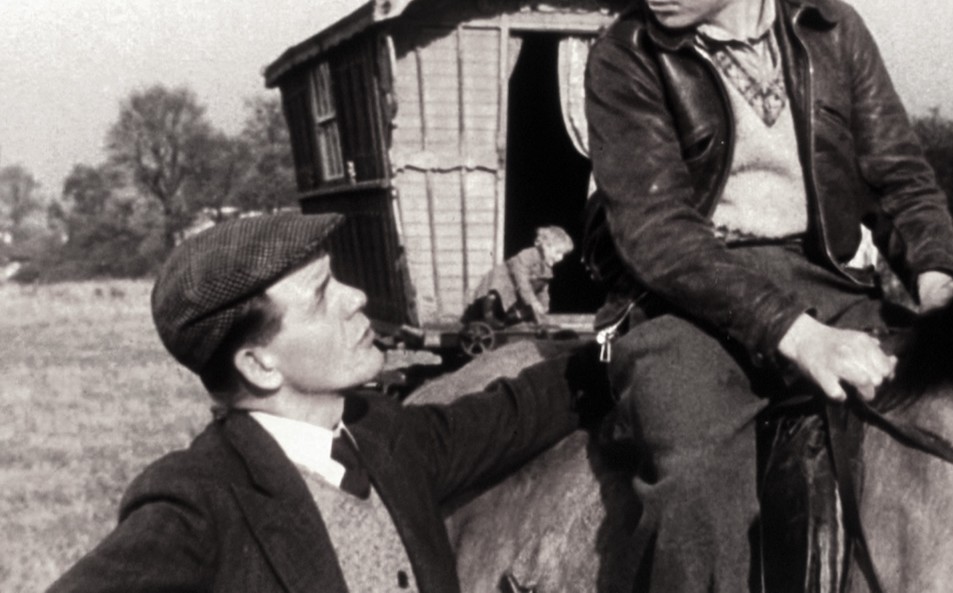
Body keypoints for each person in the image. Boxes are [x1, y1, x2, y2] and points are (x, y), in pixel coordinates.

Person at [583, 0, 953, 592]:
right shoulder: (624, 54)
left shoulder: (832, 26)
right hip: (685, 303)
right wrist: (799, 336)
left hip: (828, 277)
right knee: (693, 482)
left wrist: (937, 274)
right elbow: (658, 237)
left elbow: (895, 170)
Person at [49, 212, 601, 593]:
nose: (356, 297)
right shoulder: (199, 502)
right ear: (260, 364)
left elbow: (516, 411)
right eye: (319, 295)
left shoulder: (387, 437)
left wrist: (621, 347)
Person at [468, 225, 575, 327]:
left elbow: (543, 289)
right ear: (546, 246)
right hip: (503, 280)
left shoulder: (546, 268)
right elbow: (521, 279)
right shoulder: (527, 255)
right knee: (496, 291)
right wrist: (533, 301)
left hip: (516, 290)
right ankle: (489, 316)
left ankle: (511, 318)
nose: (560, 258)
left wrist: (543, 306)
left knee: (530, 301)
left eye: (563, 254)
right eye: (558, 253)